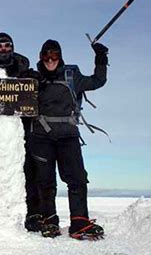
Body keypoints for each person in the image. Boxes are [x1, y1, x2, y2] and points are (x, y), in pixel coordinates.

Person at [24, 39, 108, 240]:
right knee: (44, 181)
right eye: (46, 56)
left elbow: (98, 81)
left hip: (67, 136)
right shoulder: (34, 79)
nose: (50, 60)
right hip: (41, 137)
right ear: (40, 57)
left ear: (60, 56)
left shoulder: (72, 75)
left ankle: (79, 222)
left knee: (77, 178)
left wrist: (101, 59)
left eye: (54, 55)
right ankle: (49, 222)